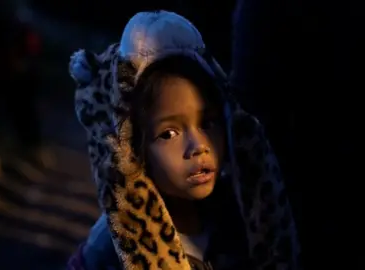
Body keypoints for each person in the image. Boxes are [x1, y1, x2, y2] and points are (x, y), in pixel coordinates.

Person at [67, 11, 300, 269]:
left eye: (208, 123)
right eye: (169, 134)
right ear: (134, 150)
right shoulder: (111, 246)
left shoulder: (244, 219)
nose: (198, 147)